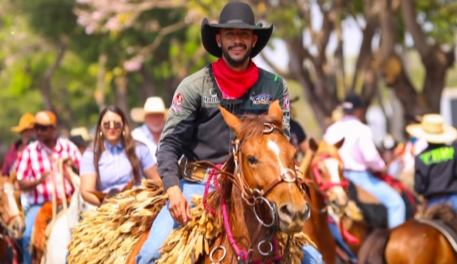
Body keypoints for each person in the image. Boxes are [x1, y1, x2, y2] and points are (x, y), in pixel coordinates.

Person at [137, 2, 323, 264]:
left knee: (314, 260)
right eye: (230, 34)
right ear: (219, 39)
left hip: (258, 191)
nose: (237, 40)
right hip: (197, 187)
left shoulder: (275, 87)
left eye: (244, 34)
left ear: (253, 39)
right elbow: (168, 145)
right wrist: (173, 190)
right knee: (148, 256)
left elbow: (282, 144)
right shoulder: (194, 86)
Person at [323, 91, 406, 258]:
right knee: (397, 203)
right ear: (360, 110)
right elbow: (370, 157)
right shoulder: (362, 129)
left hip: (335, 179)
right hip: (360, 177)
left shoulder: (331, 130)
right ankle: (397, 250)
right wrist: (381, 166)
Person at [15, 111, 81, 264]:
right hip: (40, 205)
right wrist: (38, 181)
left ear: (53, 128)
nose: (39, 132)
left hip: (70, 202)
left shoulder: (68, 148)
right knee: (26, 236)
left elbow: (86, 174)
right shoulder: (30, 151)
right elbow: (20, 182)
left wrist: (73, 167)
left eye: (43, 128)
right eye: (36, 128)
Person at [80, 105, 161, 206]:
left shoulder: (139, 149)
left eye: (117, 123)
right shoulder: (91, 154)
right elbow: (86, 191)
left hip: (137, 205)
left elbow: (157, 181)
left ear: (123, 125)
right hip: (105, 208)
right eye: (107, 124)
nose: (112, 127)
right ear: (100, 127)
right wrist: (109, 204)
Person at [406, 114, 457, 213]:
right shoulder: (454, 151)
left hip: (433, 202)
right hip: (454, 199)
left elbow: (419, 186)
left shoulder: (420, 157)